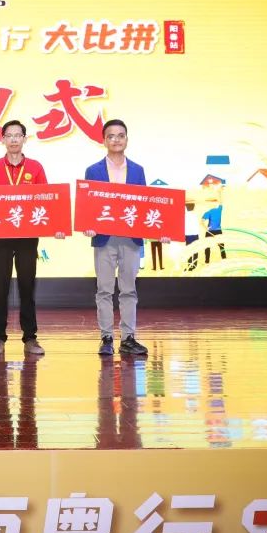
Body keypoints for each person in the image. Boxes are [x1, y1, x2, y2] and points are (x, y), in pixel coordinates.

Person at [0, 120, 59, 357]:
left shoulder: (35, 167)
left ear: (24, 139)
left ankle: (30, 337)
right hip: (0, 236)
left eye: (18, 135)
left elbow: (46, 198)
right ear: (2, 139)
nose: (13, 139)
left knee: (27, 286)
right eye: (9, 135)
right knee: (0, 287)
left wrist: (56, 226)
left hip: (27, 237)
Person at [83, 119, 165, 358]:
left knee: (129, 290)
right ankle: (106, 338)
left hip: (131, 238)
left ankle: (128, 338)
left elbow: (145, 204)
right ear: (104, 140)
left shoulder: (138, 170)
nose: (116, 140)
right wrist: (88, 225)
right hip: (104, 238)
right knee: (104, 290)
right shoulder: (93, 170)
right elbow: (89, 204)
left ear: (127, 139)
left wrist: (159, 230)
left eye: (120, 135)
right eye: (111, 136)